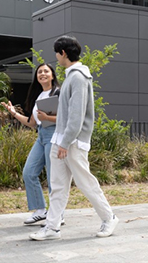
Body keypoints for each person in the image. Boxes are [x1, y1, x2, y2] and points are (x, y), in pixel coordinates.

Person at [30, 36, 119, 240]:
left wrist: (65, 142)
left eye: (57, 53)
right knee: (57, 186)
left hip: (72, 142)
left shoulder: (78, 77)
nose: (56, 57)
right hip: (61, 140)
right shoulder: (71, 76)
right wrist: (61, 141)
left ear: (63, 53)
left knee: (85, 182)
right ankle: (52, 228)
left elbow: (76, 116)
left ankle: (109, 217)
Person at [1, 63, 60, 225]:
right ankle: (40, 210)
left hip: (53, 135)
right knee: (29, 172)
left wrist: (47, 118)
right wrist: (14, 113)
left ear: (52, 75)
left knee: (53, 177)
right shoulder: (39, 96)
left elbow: (66, 118)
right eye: (39, 72)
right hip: (41, 135)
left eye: (46, 71)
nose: (42, 74)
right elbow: (32, 123)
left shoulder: (58, 92)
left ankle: (57, 214)